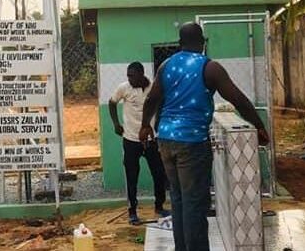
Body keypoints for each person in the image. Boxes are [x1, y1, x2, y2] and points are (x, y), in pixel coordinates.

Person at [139, 22, 269, 251]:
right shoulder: (210, 68)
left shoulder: (166, 66)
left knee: (179, 201)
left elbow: (152, 100)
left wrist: (144, 127)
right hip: (192, 143)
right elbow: (238, 100)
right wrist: (259, 127)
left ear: (180, 44)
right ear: (202, 42)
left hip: (166, 141)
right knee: (195, 204)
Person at [109, 62, 170, 224]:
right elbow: (112, 102)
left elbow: (162, 103)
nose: (129, 79)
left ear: (141, 74)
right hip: (131, 140)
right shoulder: (124, 88)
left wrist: (158, 124)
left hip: (151, 140)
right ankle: (132, 211)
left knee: (159, 174)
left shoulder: (153, 88)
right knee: (131, 176)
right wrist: (116, 124)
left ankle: (159, 206)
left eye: (132, 75)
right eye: (128, 75)